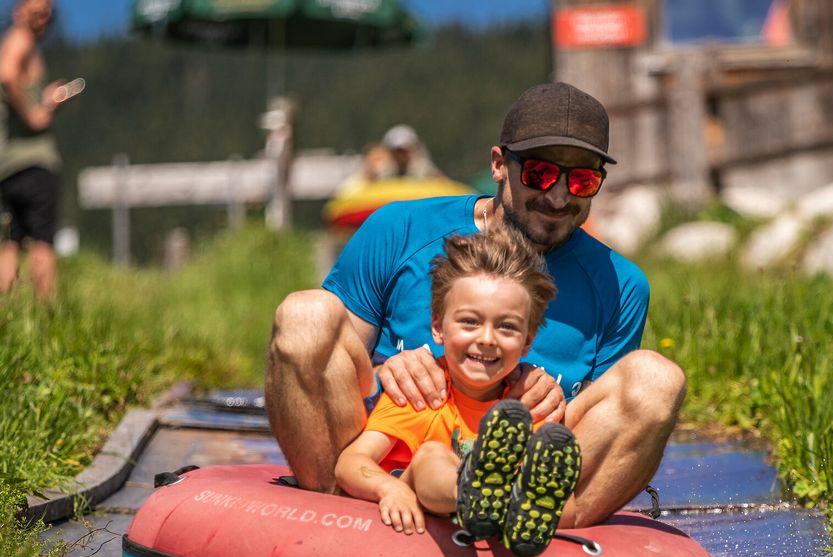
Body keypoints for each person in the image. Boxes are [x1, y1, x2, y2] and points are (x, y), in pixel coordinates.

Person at [266, 81, 685, 530]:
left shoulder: (621, 285)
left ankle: (550, 530)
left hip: (521, 467)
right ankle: (336, 520)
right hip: (396, 462)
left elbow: (599, 433)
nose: (560, 197)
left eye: (582, 181)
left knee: (658, 380)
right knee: (304, 315)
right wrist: (388, 371)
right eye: (540, 175)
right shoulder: (398, 227)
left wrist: (555, 402)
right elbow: (332, 360)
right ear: (499, 165)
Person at [335, 225, 579, 557]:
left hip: (493, 515)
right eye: (469, 322)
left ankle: (503, 502)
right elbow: (351, 461)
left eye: (507, 326)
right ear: (438, 327)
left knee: (543, 466)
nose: (487, 338)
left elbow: (562, 500)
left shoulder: (522, 409)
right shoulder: (423, 389)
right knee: (431, 455)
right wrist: (387, 488)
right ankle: (472, 491)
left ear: (528, 341)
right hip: (417, 499)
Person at [0, 0, 68, 304]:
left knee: (9, 243)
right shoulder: (21, 40)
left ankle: (6, 323)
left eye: (49, 10)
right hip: (34, 162)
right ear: (20, 9)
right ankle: (49, 323)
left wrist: (45, 99)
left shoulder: (14, 42)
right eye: (39, 8)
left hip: (7, 164)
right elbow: (8, 74)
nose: (46, 15)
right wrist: (35, 114)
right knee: (42, 243)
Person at [362, 124, 439, 181]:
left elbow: (441, 185)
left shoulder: (423, 169)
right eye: (396, 152)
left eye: (403, 152)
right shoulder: (382, 170)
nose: (400, 156)